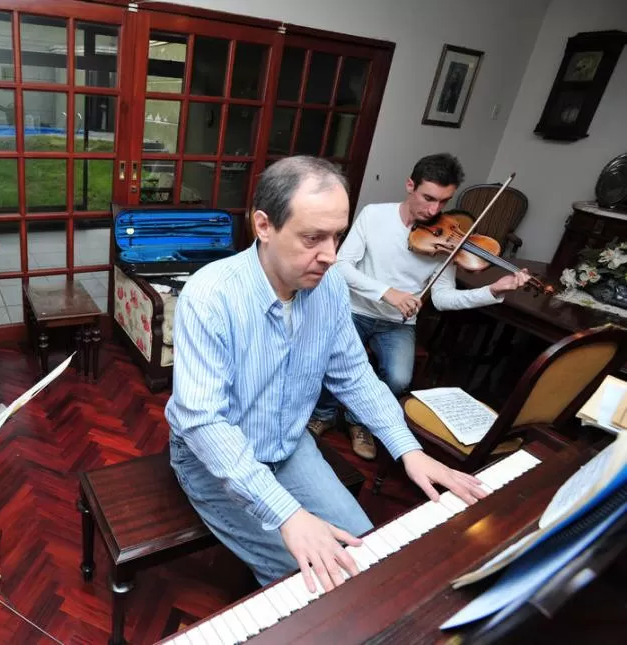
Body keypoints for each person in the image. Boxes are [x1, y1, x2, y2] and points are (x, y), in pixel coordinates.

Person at [165, 156, 488, 593]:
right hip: (213, 462)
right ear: (263, 225)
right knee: (309, 579)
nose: (331, 256)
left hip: (287, 442)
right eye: (313, 238)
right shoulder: (210, 296)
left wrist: (408, 450)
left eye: (337, 235)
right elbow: (204, 424)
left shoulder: (331, 284)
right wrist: (287, 514)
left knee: (365, 550)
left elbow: (355, 375)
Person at [309, 153, 530, 460]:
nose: (434, 210)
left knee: (400, 378)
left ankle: (359, 422)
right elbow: (341, 266)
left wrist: (491, 290)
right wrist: (388, 292)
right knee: (332, 359)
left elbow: (442, 298)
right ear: (410, 185)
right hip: (354, 311)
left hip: (398, 323)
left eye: (444, 201)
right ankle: (323, 413)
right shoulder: (374, 216)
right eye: (428, 198)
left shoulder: (448, 238)